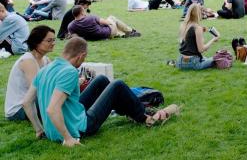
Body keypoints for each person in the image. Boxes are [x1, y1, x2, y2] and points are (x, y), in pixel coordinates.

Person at [21, 37, 179, 145]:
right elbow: (52, 109)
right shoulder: (69, 71)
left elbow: (26, 102)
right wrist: (68, 139)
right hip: (81, 127)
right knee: (117, 85)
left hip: (54, 129)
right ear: (81, 56)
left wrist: (39, 130)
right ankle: (145, 118)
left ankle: (131, 111)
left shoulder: (45, 68)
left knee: (102, 80)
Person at [5, 25, 55, 120]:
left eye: (53, 40)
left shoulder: (45, 59)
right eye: (49, 41)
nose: (53, 43)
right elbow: (38, 90)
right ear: (36, 42)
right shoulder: (28, 61)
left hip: (33, 103)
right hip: (19, 110)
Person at [177, 4, 220, 70]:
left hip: (180, 62)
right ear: (198, 14)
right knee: (220, 57)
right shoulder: (197, 28)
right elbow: (201, 49)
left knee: (206, 58)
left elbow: (189, 41)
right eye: (202, 12)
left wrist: (201, 31)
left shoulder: (184, 25)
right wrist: (214, 39)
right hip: (194, 63)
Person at [67, 5, 139, 40]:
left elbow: (75, 37)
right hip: (107, 34)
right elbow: (107, 23)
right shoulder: (91, 17)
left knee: (110, 25)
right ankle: (130, 31)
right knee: (112, 18)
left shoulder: (70, 26)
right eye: (84, 10)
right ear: (82, 12)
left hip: (93, 38)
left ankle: (122, 34)